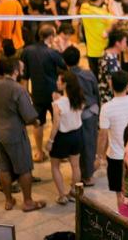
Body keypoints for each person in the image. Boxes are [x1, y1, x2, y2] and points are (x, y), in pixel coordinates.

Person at [0, 58, 46, 212]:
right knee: (24, 168)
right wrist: (36, 122)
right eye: (21, 69)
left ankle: (8, 200)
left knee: (4, 168)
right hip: (15, 134)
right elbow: (29, 115)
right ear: (15, 71)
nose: (23, 71)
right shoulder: (18, 89)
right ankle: (28, 202)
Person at [96, 70, 128, 209]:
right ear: (127, 85)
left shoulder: (106, 108)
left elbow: (103, 135)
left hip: (117, 157)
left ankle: (125, 222)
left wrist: (99, 156)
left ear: (111, 85)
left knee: (121, 194)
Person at [20, 24, 67, 162]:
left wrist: (25, 93)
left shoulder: (27, 51)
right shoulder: (52, 53)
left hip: (37, 92)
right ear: (51, 36)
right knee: (57, 121)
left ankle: (39, 152)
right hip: (54, 93)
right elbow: (65, 66)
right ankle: (60, 153)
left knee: (38, 122)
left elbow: (24, 76)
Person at [62, 45, 100, 186]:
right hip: (90, 112)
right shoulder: (88, 74)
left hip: (74, 114)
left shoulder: (66, 77)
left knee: (79, 146)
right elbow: (96, 92)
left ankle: (84, 174)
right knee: (89, 144)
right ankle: (87, 175)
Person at [46, 70, 83, 205]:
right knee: (75, 166)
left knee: (55, 165)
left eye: (59, 80)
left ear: (65, 84)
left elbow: (56, 124)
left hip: (62, 137)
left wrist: (50, 141)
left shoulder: (58, 103)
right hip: (77, 134)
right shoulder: (79, 98)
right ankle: (73, 191)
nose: (56, 82)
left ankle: (62, 196)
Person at [80, 0, 114, 77]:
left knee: (94, 77)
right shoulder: (103, 15)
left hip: (91, 51)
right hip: (103, 51)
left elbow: (87, 4)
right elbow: (115, 21)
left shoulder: (83, 8)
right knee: (104, 77)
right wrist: (109, 7)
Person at [98, 27, 127, 104]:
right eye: (124, 42)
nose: (126, 45)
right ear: (117, 43)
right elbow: (113, 85)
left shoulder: (106, 53)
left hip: (105, 94)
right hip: (109, 99)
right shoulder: (111, 60)